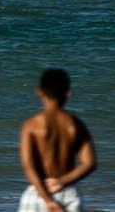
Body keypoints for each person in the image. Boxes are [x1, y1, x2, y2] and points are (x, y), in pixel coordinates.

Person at [18, 68, 96, 212]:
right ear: (68, 93)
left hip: (39, 193)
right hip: (69, 194)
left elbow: (28, 166)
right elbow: (89, 163)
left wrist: (47, 200)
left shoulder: (31, 125)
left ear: (39, 92)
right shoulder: (76, 125)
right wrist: (61, 181)